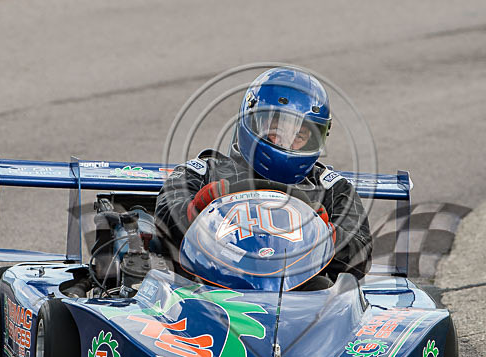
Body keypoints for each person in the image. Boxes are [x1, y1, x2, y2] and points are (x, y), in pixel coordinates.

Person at [155, 67, 372, 285]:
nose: (285, 142)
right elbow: (166, 216)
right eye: (276, 129)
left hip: (299, 301)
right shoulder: (205, 171)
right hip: (211, 290)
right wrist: (200, 208)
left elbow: (359, 253)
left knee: (323, 287)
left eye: (299, 135)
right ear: (251, 121)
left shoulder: (330, 188)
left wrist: (324, 235)